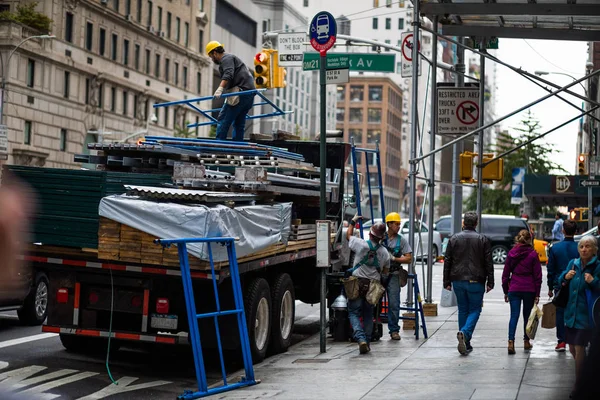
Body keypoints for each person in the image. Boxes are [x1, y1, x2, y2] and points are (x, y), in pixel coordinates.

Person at [443, 211, 494, 355]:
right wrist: (491, 281)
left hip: (458, 279)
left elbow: (448, 261)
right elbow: (488, 263)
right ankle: (465, 334)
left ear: (464, 223)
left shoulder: (454, 239)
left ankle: (465, 340)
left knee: (463, 309)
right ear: (476, 223)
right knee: (475, 310)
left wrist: (446, 281)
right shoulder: (483, 240)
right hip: (476, 280)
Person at [558, 236, 600, 398]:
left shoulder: (597, 266)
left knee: (579, 348)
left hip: (587, 316)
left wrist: (593, 281)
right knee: (572, 349)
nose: (584, 249)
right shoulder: (573, 263)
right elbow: (560, 282)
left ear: (594, 249)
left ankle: (578, 386)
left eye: (587, 246)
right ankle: (588, 373)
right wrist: (565, 278)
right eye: (581, 246)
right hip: (570, 315)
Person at [345, 215, 390, 354]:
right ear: (382, 237)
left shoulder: (361, 245)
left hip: (357, 283)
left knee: (353, 312)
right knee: (368, 315)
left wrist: (353, 221)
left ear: (370, 233)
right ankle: (367, 342)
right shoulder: (385, 253)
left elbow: (348, 235)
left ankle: (360, 338)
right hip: (373, 286)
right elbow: (385, 273)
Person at [205, 40, 256, 142]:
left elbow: (228, 74)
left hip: (240, 93)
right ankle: (237, 146)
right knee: (239, 123)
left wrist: (220, 88)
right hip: (249, 94)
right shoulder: (231, 58)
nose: (211, 59)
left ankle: (219, 145)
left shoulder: (226, 58)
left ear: (215, 53)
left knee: (223, 119)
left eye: (211, 56)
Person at [502, 229, 542, 354]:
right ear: (529, 240)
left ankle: (511, 342)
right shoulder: (533, 254)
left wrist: (506, 291)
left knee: (514, 316)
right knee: (527, 316)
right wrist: (537, 294)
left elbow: (505, 275)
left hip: (514, 287)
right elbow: (538, 277)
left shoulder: (511, 253)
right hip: (529, 289)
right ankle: (526, 341)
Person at [547, 219, 579, 351]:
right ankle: (575, 338)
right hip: (577, 284)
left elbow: (551, 270)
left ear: (563, 231)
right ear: (576, 231)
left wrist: (550, 287)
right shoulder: (580, 247)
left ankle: (561, 341)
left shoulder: (555, 248)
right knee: (576, 310)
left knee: (560, 311)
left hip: (560, 284)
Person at [382, 212, 412, 341]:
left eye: (399, 224)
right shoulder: (380, 237)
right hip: (379, 274)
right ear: (389, 224)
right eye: (396, 224)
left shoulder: (401, 240)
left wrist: (395, 258)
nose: (398, 226)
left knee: (394, 303)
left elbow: (409, 258)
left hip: (393, 274)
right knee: (372, 301)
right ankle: (371, 328)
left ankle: (394, 330)